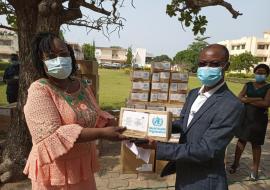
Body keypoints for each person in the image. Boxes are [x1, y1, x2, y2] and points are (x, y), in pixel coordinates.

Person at [23, 32, 126, 190]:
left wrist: (109, 123)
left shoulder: (81, 85)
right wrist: (102, 134)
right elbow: (52, 135)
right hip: (55, 171)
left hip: (82, 165)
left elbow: (93, 114)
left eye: (63, 54)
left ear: (70, 56)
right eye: (51, 56)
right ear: (40, 61)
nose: (59, 60)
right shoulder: (39, 90)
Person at [137, 44, 244, 190]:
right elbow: (184, 124)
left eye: (214, 64)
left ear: (226, 66)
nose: (207, 68)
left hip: (205, 180)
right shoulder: (194, 94)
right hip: (184, 174)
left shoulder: (231, 105)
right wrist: (152, 126)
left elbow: (207, 150)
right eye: (202, 63)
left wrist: (157, 147)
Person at [229, 64, 270, 180]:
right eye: (258, 72)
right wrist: (257, 99)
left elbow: (266, 104)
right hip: (246, 116)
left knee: (256, 144)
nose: (260, 74)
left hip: (259, 119)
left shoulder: (268, 87)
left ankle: (255, 170)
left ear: (267, 75)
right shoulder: (248, 85)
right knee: (241, 141)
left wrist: (247, 100)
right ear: (254, 72)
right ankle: (235, 164)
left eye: (262, 73)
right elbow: (239, 97)